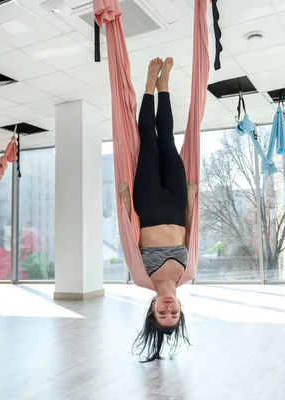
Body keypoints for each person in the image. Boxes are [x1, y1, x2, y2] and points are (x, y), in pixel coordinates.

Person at [118, 57, 198, 362]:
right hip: (177, 204)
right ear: (179, 309)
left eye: (162, 313)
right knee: (167, 141)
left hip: (148, 203)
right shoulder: (188, 273)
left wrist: (127, 201)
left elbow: (130, 237)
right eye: (173, 313)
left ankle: (150, 85)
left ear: (152, 309)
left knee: (148, 143)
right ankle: (165, 87)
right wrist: (190, 199)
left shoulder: (141, 277)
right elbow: (190, 233)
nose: (168, 308)